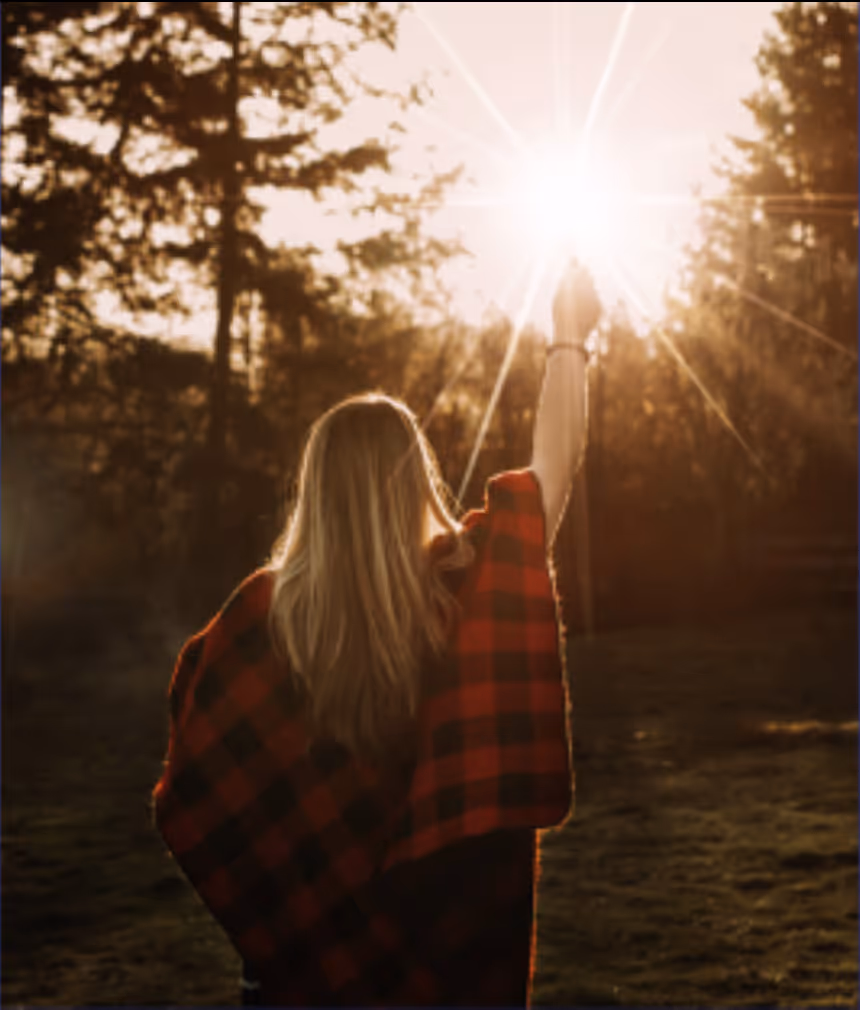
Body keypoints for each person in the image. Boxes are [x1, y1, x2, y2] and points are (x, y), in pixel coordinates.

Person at [152, 262, 601, 1006]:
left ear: (317, 491)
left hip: (303, 979)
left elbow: (198, 792)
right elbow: (552, 469)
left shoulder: (257, 619)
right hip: (447, 964)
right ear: (414, 480)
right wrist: (567, 337)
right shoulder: (462, 590)